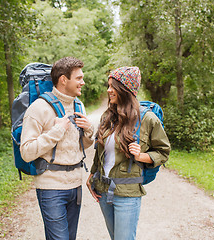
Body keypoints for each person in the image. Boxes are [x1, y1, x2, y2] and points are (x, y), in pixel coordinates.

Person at [86, 66, 171, 240]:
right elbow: (99, 149)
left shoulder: (147, 119)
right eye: (108, 85)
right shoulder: (108, 116)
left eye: (113, 86)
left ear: (126, 89)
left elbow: (163, 152)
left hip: (127, 194)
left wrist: (141, 156)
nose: (109, 90)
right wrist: (92, 174)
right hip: (103, 190)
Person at [20, 57, 94, 240]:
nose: (82, 82)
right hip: (51, 188)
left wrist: (89, 131)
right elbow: (26, 152)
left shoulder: (79, 105)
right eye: (78, 78)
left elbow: (82, 146)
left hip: (75, 185)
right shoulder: (39, 108)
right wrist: (57, 130)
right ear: (63, 79)